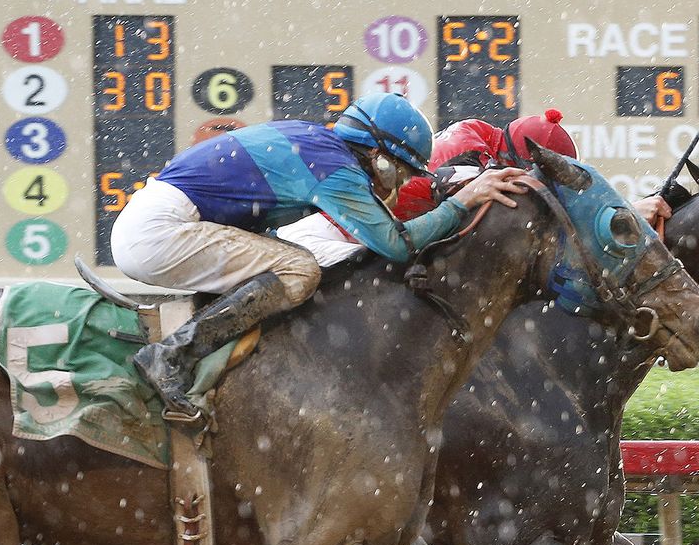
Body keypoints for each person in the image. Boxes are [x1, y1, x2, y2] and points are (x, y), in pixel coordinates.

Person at [110, 92, 531, 419]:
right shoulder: (338, 169)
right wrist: (462, 202)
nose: (399, 187)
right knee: (300, 269)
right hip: (159, 231)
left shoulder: (320, 144)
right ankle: (171, 357)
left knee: (292, 260)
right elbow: (395, 244)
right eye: (399, 173)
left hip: (159, 221)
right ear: (378, 154)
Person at [280, 108, 670, 270]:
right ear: (521, 163)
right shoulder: (463, 149)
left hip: (377, 238)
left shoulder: (487, 139)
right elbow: (517, 213)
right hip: (337, 238)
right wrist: (628, 212)